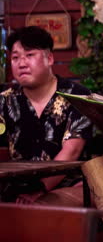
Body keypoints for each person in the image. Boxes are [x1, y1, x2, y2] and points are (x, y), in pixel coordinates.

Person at [0, 26, 93, 206]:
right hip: (18, 186)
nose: (21, 63)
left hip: (69, 184)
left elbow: (71, 151)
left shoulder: (78, 97)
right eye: (15, 57)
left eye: (30, 55)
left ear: (49, 58)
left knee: (37, 209)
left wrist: (40, 189)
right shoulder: (5, 100)